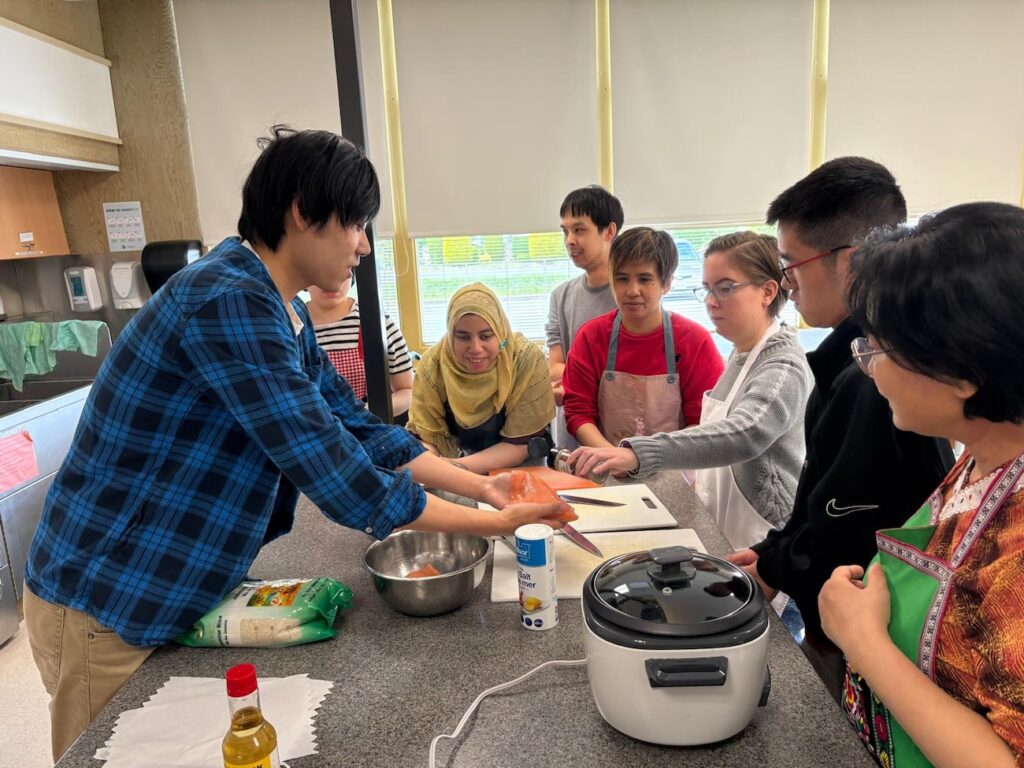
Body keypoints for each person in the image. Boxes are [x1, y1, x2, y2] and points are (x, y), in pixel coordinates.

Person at [21, 127, 567, 761]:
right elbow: (340, 476)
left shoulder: (283, 309)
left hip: (168, 586)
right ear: (304, 213)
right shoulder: (229, 301)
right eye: (356, 223)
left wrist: (480, 487)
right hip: (108, 593)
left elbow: (354, 425)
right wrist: (495, 522)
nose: (364, 245)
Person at [726, 157, 953, 695]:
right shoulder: (844, 366)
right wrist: (774, 550)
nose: (787, 284)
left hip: (871, 642)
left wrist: (779, 563)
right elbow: (824, 496)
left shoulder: (879, 382)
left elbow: (846, 534)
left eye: (791, 266)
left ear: (849, 263)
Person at [819, 202, 1024, 768]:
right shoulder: (984, 456)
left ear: (963, 372)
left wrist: (863, 642)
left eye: (880, 348)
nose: (869, 366)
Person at [570, 232, 812, 549]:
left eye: (725, 288)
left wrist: (636, 453)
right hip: (725, 532)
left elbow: (744, 433)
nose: (712, 301)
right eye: (708, 289)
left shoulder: (782, 367)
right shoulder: (741, 356)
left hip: (764, 539)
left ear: (768, 291)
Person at [561, 227, 724, 447]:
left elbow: (704, 421)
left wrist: (649, 460)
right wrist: (614, 458)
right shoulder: (591, 337)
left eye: (645, 279)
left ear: (667, 283)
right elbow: (578, 412)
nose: (632, 290)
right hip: (607, 464)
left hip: (677, 467)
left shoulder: (695, 341)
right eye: (622, 279)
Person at [406, 282, 555, 474]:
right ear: (451, 335)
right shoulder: (433, 365)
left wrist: (448, 468)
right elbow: (427, 437)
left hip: (521, 469)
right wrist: (430, 466)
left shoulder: (525, 359)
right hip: (452, 470)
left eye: (485, 336)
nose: (475, 348)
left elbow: (520, 443)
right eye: (463, 337)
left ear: (500, 332)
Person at [545, 185, 624, 449]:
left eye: (579, 230)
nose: (569, 240)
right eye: (565, 231)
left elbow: (633, 376)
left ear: (609, 231)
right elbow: (554, 367)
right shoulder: (560, 296)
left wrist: (577, 380)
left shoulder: (631, 296)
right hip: (572, 441)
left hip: (621, 438)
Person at [307, 278, 414, 422]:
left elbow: (407, 391)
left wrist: (363, 412)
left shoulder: (377, 320)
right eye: (319, 269)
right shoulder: (290, 323)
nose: (331, 282)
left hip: (371, 429)